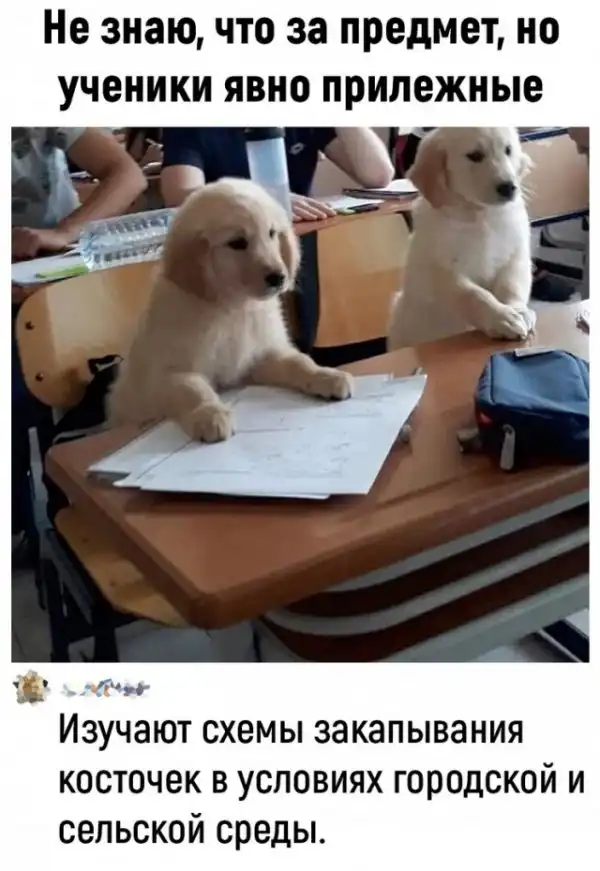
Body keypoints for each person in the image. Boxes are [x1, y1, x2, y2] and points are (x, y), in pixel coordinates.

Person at [12, 127, 147, 559]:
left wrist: (65, 231)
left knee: (89, 390)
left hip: (54, 276)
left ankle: (78, 520)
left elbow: (127, 173)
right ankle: (25, 527)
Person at [398, 126, 580, 303]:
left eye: (508, 151)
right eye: (476, 156)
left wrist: (513, 307)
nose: (505, 176)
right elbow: (441, 284)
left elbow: (516, 266)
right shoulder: (444, 144)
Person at [160, 127, 394, 220]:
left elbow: (377, 175)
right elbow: (180, 195)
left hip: (299, 239)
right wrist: (260, 200)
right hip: (231, 250)